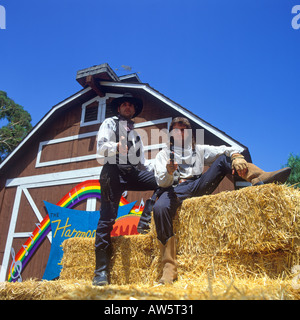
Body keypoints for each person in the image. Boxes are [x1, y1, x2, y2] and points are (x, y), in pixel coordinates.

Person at [153, 117, 291, 284]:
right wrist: (169, 171)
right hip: (175, 189)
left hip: (197, 185)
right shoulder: (163, 154)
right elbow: (162, 183)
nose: (180, 133)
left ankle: (259, 177)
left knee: (226, 157)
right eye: (176, 130)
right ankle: (169, 268)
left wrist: (236, 155)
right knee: (160, 207)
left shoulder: (199, 150)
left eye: (184, 130)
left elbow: (228, 148)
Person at [93, 93, 158, 286]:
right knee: (107, 220)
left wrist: (165, 168)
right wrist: (116, 146)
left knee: (162, 182)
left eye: (131, 105)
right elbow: (100, 148)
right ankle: (101, 272)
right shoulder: (110, 123)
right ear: (119, 108)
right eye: (125, 104)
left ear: (134, 110)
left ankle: (145, 220)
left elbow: (143, 165)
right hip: (112, 171)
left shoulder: (136, 135)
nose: (128, 107)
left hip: (131, 172)